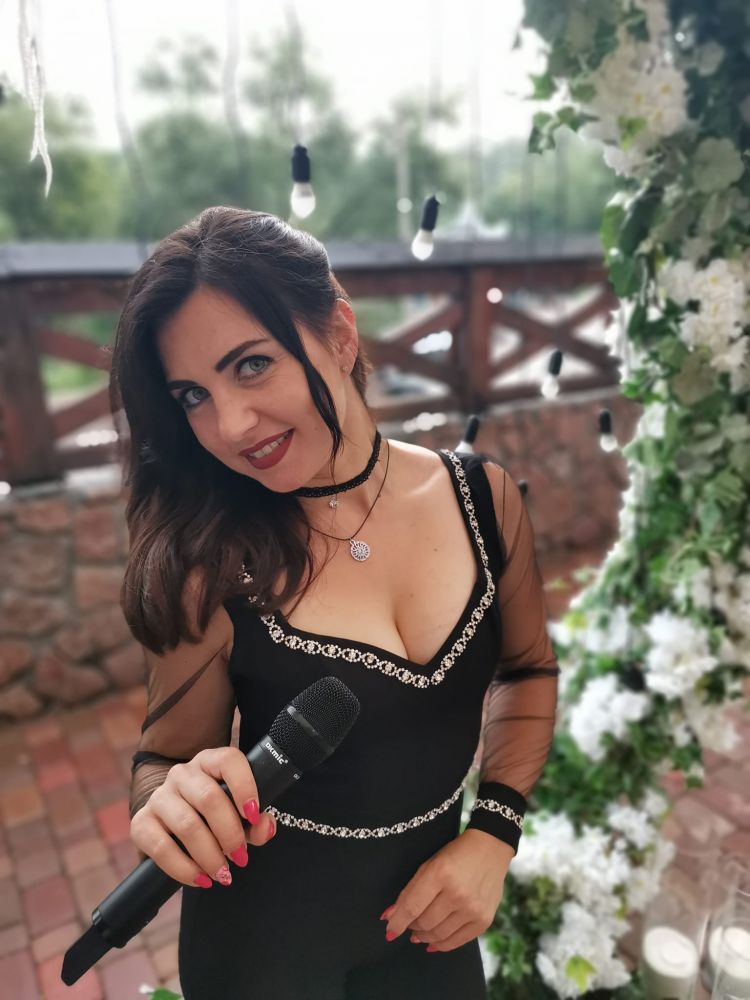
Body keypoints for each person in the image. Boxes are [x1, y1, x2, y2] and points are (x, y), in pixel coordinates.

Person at [112, 206, 559, 1000]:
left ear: (341, 334)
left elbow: (527, 671)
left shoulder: (484, 500)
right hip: (264, 950)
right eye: (192, 396)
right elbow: (164, 760)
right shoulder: (208, 562)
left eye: (252, 365)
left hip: (428, 927)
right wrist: (171, 804)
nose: (230, 425)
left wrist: (494, 830)